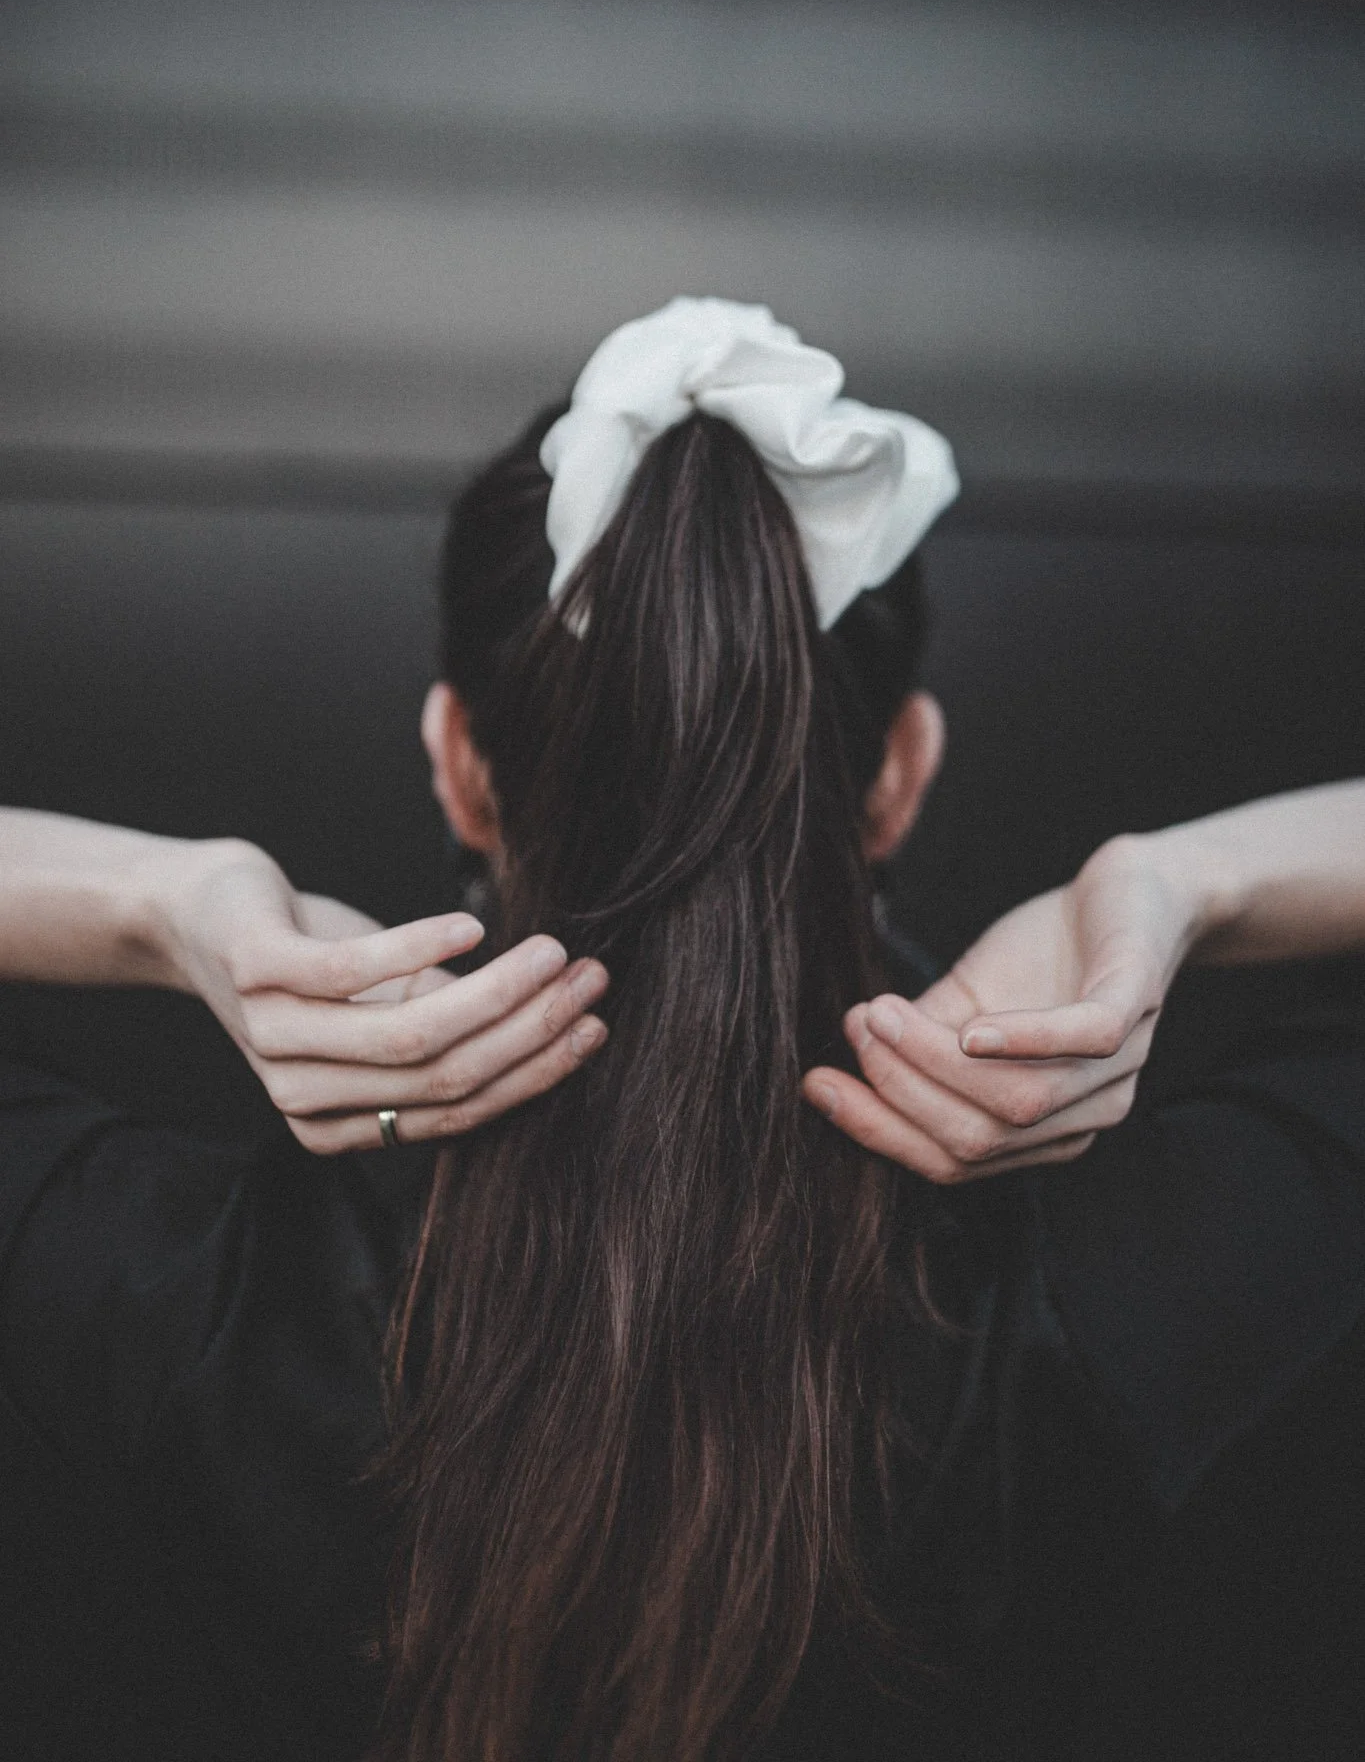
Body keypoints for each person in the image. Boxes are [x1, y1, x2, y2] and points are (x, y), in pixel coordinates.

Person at [1, 299, 1363, 1762]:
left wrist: (168, 897)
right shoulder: (1109, 1289)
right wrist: (1175, 884)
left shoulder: (195, 1296)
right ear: (901, 772)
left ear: (461, 763)